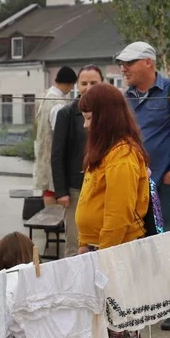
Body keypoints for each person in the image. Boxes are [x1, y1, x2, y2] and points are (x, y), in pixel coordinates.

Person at [74, 83, 152, 338]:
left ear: (104, 117)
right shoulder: (107, 152)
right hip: (100, 251)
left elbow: (117, 217)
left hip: (117, 255)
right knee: (112, 329)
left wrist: (101, 259)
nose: (85, 125)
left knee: (123, 329)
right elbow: (91, 203)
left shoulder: (122, 156)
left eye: (89, 118)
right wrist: (82, 245)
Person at [116, 41, 170, 232]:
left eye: (129, 63)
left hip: (165, 187)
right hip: (134, 186)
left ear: (148, 62)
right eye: (122, 64)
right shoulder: (125, 99)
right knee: (139, 243)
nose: (124, 69)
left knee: (168, 244)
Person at [52, 65, 103, 257]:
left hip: (102, 187)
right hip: (75, 189)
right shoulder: (66, 114)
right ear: (77, 86)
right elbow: (57, 154)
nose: (88, 87)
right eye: (84, 83)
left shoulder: (110, 112)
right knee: (75, 242)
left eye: (94, 83)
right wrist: (61, 191)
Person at [33, 66, 78, 205]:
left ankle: (50, 223)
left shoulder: (44, 96)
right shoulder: (58, 105)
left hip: (42, 149)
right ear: (69, 83)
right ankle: (52, 223)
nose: (71, 89)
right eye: (71, 86)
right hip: (54, 151)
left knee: (47, 186)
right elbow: (59, 132)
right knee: (53, 188)